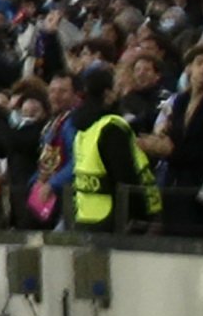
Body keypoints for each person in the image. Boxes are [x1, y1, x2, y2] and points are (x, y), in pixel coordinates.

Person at [65, 70, 160, 237]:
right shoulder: (112, 127)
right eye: (117, 86)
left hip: (87, 216)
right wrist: (143, 216)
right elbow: (125, 177)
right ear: (107, 94)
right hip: (114, 219)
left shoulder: (82, 129)